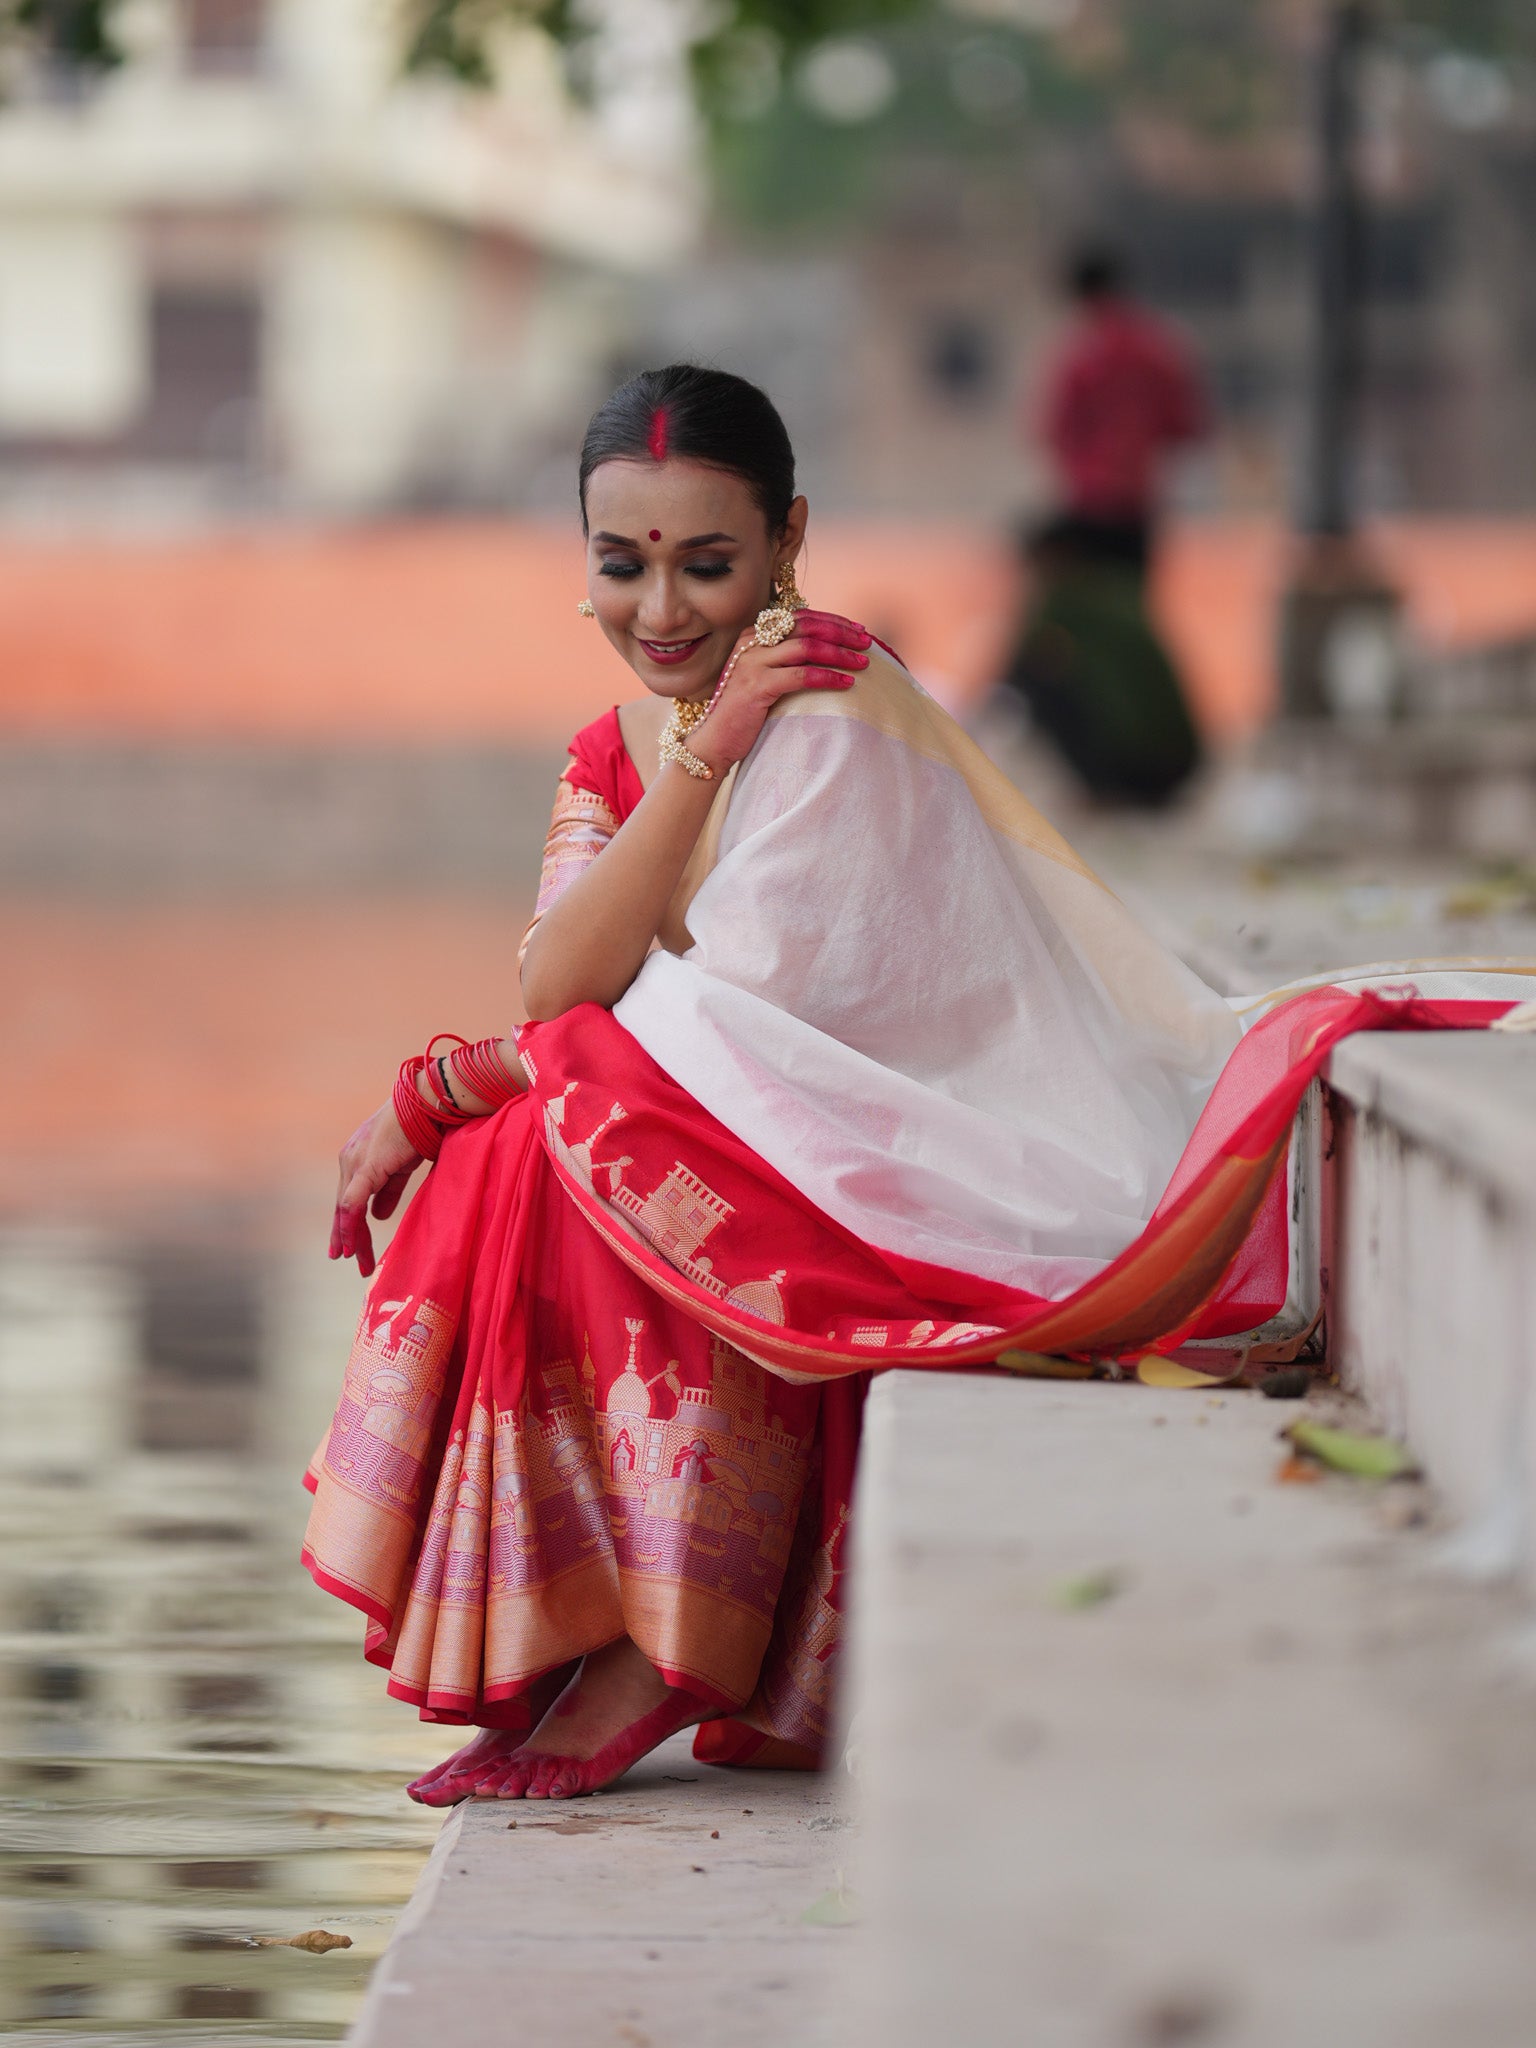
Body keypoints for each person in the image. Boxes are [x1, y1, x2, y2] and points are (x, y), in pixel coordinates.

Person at [305, 364, 1534, 1807]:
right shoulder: (626, 743)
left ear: (789, 540)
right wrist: (699, 760)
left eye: (709, 563)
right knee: (533, 1132)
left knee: (542, 1131)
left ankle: (671, 1637)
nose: (662, 611)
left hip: (909, 1159)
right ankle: (594, 1604)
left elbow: (761, 1023)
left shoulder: (837, 699)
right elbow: (563, 988)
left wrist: (437, 1089)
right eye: (622, 563)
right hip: (753, 1153)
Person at [1002, 244, 1208, 805]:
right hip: (1138, 515)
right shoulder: (1159, 350)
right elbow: (1187, 429)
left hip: (1089, 515)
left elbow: (1051, 433)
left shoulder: (1079, 355)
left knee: (1071, 647)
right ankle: (1134, 752)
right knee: (1130, 636)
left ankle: (1104, 772)